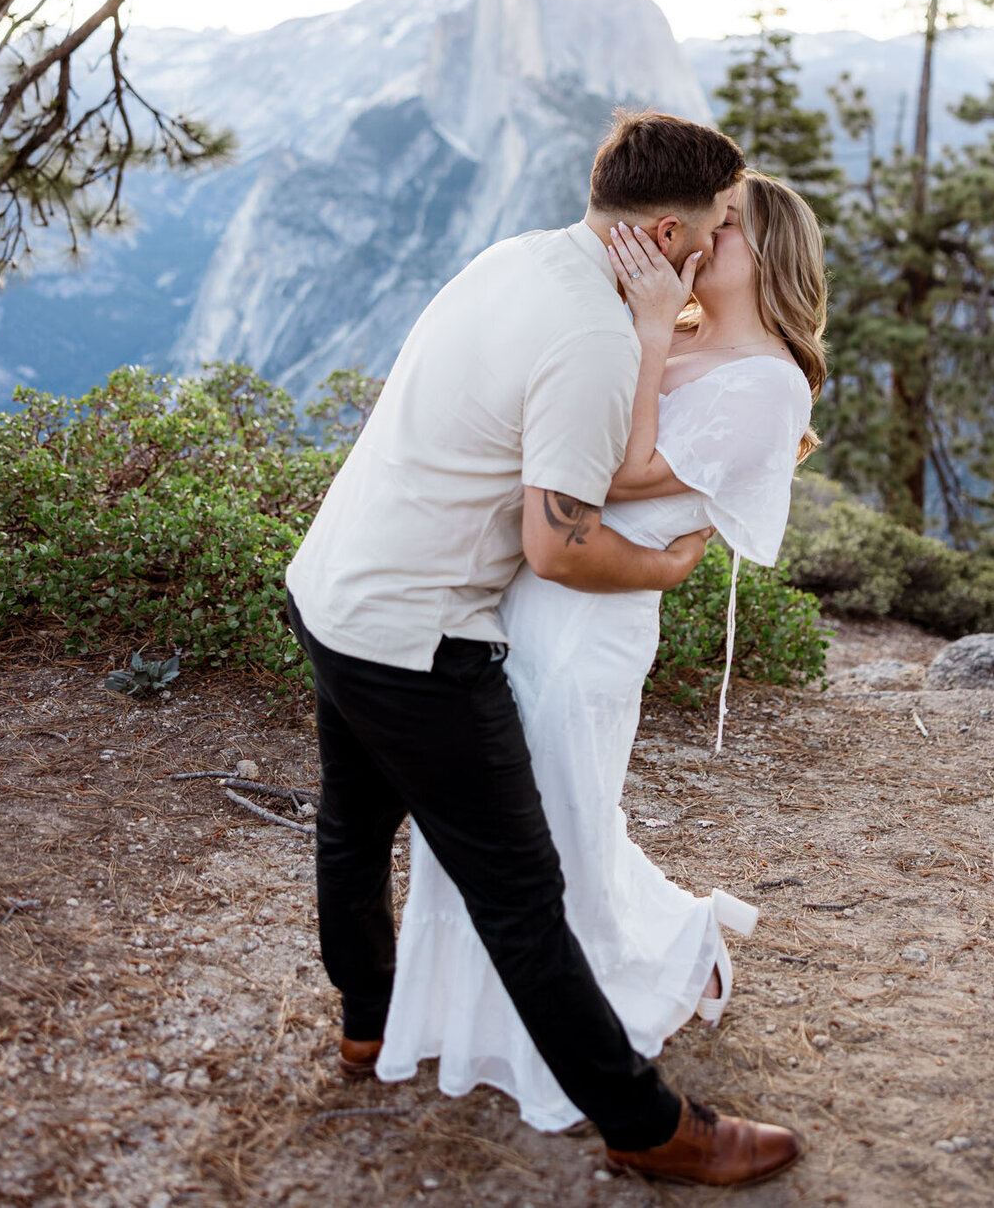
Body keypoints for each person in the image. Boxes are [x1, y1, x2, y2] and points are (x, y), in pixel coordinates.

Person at [284, 111, 803, 1187]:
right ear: (668, 231)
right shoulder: (597, 337)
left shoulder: (512, 256)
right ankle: (646, 1121)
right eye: (711, 223)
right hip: (420, 632)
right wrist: (661, 570)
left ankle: (368, 1026)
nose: (715, 241)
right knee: (522, 889)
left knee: (352, 822)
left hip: (333, 582)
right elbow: (559, 544)